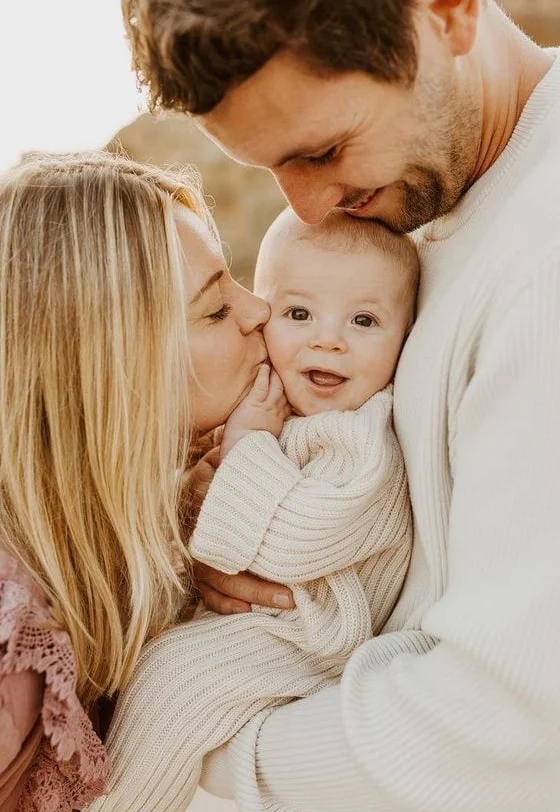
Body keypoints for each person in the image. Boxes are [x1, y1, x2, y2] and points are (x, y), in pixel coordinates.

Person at [119, 0, 560, 809]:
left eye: (324, 151)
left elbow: (510, 725)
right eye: (274, 169)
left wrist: (194, 741)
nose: (310, 208)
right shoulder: (424, 200)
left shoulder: (545, 264)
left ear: (448, 13)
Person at [87, 207, 419, 810]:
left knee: (174, 682)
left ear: (407, 336)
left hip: (308, 636)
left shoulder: (360, 435)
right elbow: (207, 509)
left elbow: (299, 538)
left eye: (365, 321)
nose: (329, 339)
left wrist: (247, 447)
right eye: (298, 314)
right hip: (263, 625)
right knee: (148, 664)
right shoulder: (281, 407)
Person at [0, 150, 270, 811]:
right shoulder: (17, 632)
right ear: (113, 371)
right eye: (213, 310)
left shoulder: (114, 529)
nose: (260, 307)